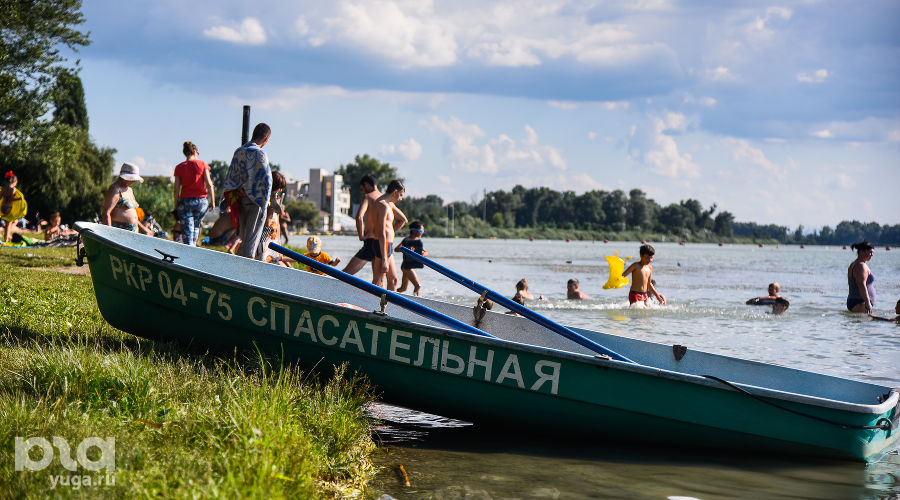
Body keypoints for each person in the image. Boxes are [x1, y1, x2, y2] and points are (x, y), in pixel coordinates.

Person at [223, 123, 272, 259]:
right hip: (256, 203)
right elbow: (267, 180)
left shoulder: (239, 151)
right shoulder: (260, 153)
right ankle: (246, 274)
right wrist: (265, 201)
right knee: (251, 241)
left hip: (240, 199)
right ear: (266, 139)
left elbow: (231, 176)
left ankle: (237, 269)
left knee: (243, 237)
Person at [173, 141, 215, 246]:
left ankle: (189, 252)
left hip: (186, 202)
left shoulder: (179, 167)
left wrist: (176, 205)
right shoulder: (202, 164)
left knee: (188, 231)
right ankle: (193, 250)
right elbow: (209, 184)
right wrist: (212, 201)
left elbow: (176, 189)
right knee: (196, 227)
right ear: (195, 152)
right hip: (202, 202)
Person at [100, 163, 154, 235]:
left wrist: (144, 230)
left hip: (132, 232)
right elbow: (106, 213)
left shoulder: (130, 190)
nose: (134, 181)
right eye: (133, 178)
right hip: (120, 233)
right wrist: (109, 234)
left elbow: (133, 217)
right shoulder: (115, 189)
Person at [373, 180, 407, 290]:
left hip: (388, 245)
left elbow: (403, 220)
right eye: (400, 195)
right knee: (379, 281)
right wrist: (383, 259)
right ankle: (369, 304)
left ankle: (390, 306)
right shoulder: (382, 204)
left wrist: (391, 231)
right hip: (382, 245)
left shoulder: (389, 204)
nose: (401, 199)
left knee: (393, 280)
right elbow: (382, 232)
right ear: (395, 192)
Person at [343, 175, 381, 274]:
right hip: (382, 242)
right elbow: (402, 220)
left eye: (362, 189)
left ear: (367, 185)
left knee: (344, 274)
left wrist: (361, 236)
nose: (362, 192)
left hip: (370, 242)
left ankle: (328, 288)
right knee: (378, 279)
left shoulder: (368, 197)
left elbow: (359, 217)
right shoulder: (385, 198)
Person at [397, 221, 428, 296]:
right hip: (406, 266)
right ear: (414, 230)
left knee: (403, 288)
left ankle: (389, 293)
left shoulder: (418, 242)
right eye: (421, 231)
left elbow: (426, 252)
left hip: (410, 266)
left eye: (423, 231)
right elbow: (396, 249)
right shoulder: (406, 240)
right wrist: (406, 249)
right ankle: (416, 301)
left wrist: (423, 254)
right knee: (418, 286)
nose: (422, 233)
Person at [847, 240, 876, 314]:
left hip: (857, 301)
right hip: (860, 302)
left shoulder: (854, 264)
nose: (872, 255)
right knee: (863, 324)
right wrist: (867, 302)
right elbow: (861, 285)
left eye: (873, 252)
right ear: (861, 251)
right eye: (870, 252)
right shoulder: (861, 266)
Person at [1, 171, 27, 242]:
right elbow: (11, 198)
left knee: (11, 222)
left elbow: (1, 196)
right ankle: (6, 238)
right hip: (9, 208)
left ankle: (7, 235)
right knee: (8, 224)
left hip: (3, 207)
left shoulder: (4, 188)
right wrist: (19, 199)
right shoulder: (13, 189)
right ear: (15, 181)